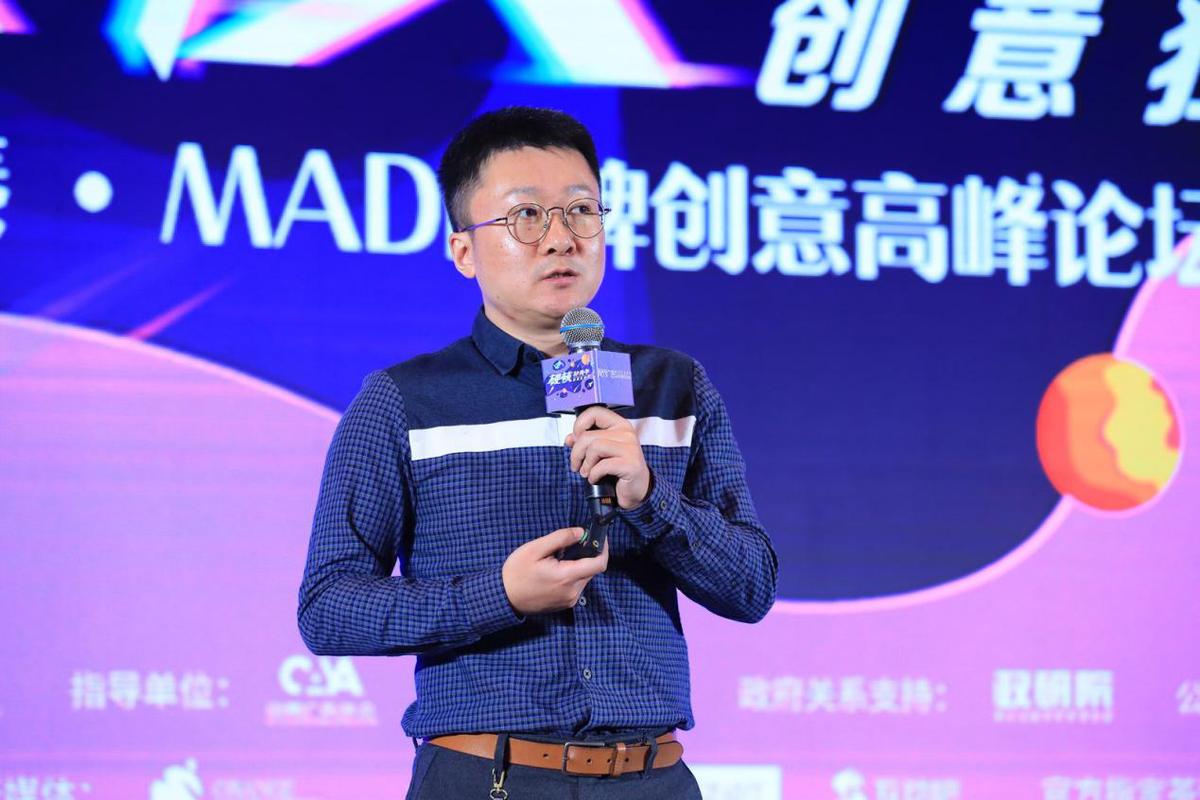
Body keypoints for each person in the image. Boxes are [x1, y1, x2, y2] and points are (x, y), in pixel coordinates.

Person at [298, 106, 778, 799]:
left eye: (581, 211)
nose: (561, 238)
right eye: (526, 216)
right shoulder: (405, 401)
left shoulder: (672, 386)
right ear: (464, 251)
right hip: (488, 775)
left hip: (652, 778)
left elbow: (751, 587)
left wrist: (650, 499)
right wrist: (500, 596)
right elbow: (329, 608)